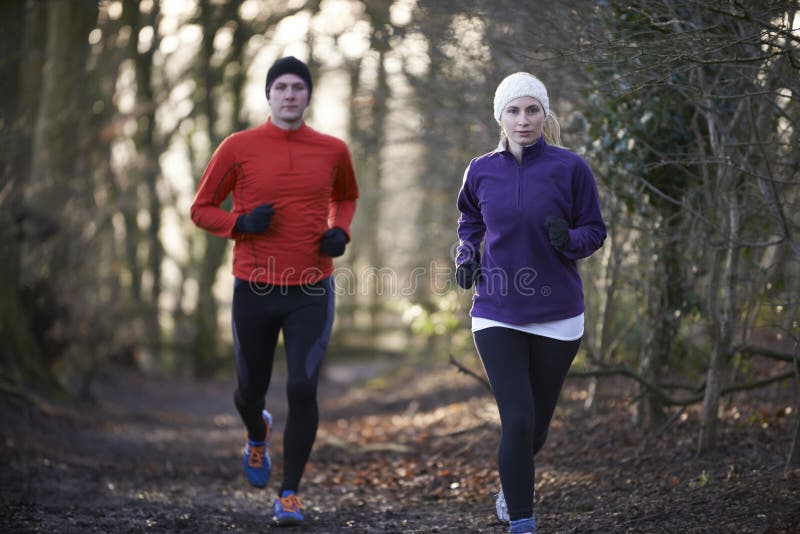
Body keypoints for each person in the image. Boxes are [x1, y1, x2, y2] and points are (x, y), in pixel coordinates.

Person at [190, 56, 358, 527]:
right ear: (268, 95)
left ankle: (290, 494)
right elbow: (201, 208)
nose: (289, 95)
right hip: (255, 287)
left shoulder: (332, 150)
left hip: (311, 286)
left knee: (303, 387)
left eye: (297, 88)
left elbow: (346, 197)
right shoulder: (238, 147)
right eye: (281, 87)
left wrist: (340, 232)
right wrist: (239, 223)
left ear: (308, 95)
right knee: (250, 391)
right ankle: (256, 431)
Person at [454, 72, 606, 534]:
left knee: (535, 427)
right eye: (514, 111)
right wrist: (465, 256)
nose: (524, 120)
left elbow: (594, 231)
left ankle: (510, 484)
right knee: (517, 419)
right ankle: (522, 519)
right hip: (497, 310)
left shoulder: (570, 167)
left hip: (559, 314)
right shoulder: (481, 169)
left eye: (532, 110)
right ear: (499, 116)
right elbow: (469, 221)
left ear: (545, 114)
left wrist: (570, 239)